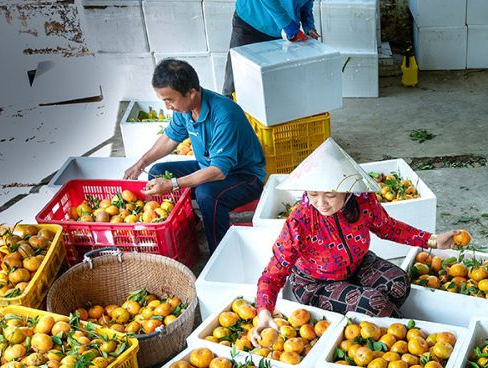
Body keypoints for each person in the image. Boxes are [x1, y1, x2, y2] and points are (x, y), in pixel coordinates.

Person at [251, 139, 459, 343]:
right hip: (316, 284)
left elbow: (388, 227)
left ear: (347, 191)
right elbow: (273, 274)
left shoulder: (363, 202)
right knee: (373, 303)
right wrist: (264, 313)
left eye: (330, 195)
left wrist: (432, 241)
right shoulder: (300, 222)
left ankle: (369, 326)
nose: (321, 203)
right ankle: (407, 337)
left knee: (399, 283)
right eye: (313, 194)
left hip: (357, 267)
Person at [124, 59, 266, 252]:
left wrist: (173, 184)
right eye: (163, 100)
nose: (167, 106)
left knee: (207, 194)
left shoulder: (225, 114)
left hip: (244, 176)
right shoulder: (185, 109)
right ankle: (195, 223)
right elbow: (169, 139)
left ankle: (220, 253)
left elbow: (218, 172)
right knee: (158, 172)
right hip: (207, 166)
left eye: (170, 100)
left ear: (191, 92)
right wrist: (141, 163)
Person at [222, 1, 319, 99]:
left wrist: (309, 26)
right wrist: (288, 25)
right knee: (236, 78)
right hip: (252, 19)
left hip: (280, 31)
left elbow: (305, 3)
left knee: (272, 84)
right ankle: (227, 108)